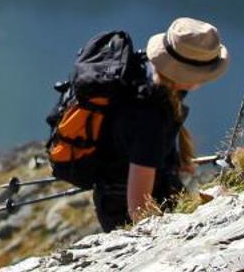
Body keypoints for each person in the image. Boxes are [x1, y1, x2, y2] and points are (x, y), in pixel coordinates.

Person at [92, 17, 231, 230]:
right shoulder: (151, 119)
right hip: (122, 211)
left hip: (119, 191)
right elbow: (139, 208)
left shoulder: (147, 72)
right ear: (191, 77)